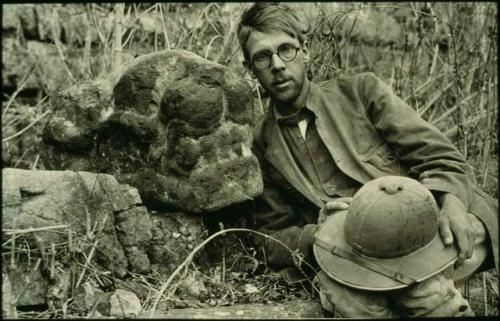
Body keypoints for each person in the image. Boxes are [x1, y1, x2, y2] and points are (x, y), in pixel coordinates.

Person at [236, 3, 498, 317]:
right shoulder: (260, 145)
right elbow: (270, 236)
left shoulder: (361, 93)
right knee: (368, 300)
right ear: (250, 69)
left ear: (305, 52)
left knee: (428, 291)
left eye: (286, 49)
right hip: (350, 255)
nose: (277, 65)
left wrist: (452, 200)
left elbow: (439, 157)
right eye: (262, 57)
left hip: (417, 231)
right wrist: (316, 236)